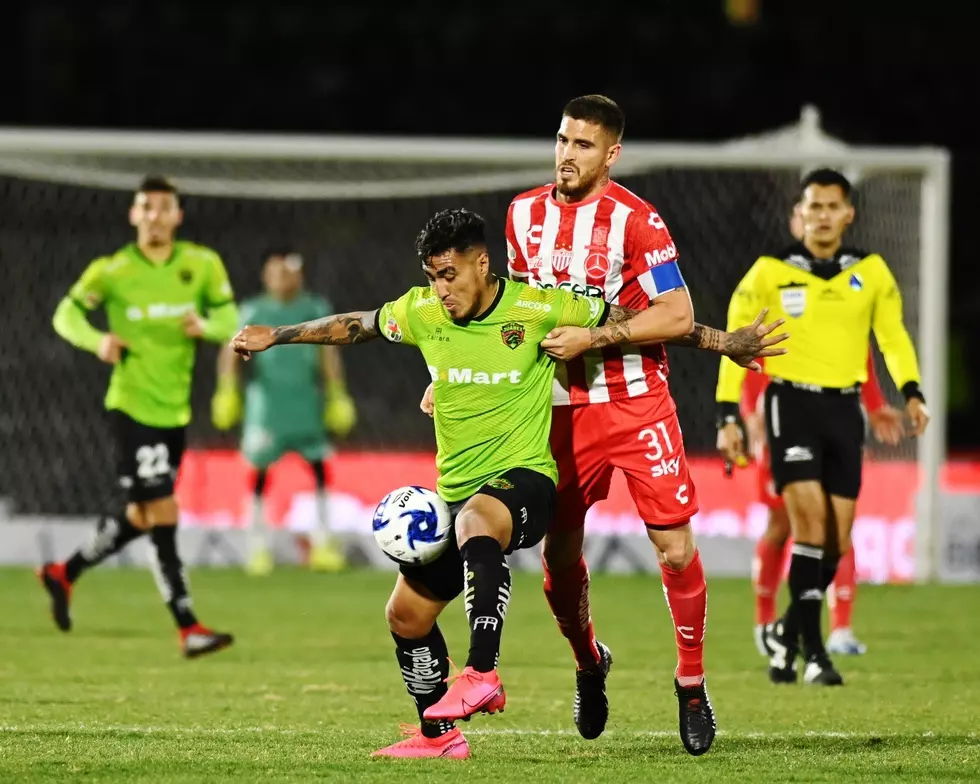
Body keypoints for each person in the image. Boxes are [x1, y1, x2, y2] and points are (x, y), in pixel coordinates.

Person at [233, 208, 783, 759]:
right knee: (405, 614)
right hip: (460, 493)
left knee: (479, 520)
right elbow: (359, 325)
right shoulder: (423, 311)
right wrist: (277, 337)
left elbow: (639, 319)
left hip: (525, 483)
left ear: (482, 262)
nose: (440, 289)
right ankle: (439, 737)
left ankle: (482, 672)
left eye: (449, 274)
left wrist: (724, 342)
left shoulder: (539, 306)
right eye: (432, 276)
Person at [716, 168, 930, 686]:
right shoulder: (769, 271)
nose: (823, 215)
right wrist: (728, 414)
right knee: (807, 528)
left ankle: (787, 637)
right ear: (800, 214)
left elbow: (893, 337)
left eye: (833, 206)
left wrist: (912, 392)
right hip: (791, 405)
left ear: (848, 213)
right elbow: (736, 341)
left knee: (837, 540)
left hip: (844, 412)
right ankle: (815, 653)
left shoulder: (871, 272)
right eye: (814, 206)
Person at [41, 175, 239, 658]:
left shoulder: (201, 264)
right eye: (145, 207)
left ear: (177, 215)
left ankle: (63, 572)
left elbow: (230, 322)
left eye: (163, 207)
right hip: (131, 407)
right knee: (163, 510)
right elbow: (64, 316)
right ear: (134, 215)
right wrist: (98, 341)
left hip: (174, 410)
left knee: (140, 515)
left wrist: (206, 326)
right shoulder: (111, 271)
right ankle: (188, 625)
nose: (154, 215)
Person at [744, 209, 906, 657]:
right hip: (785, 416)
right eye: (808, 213)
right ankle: (764, 623)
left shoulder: (847, 285)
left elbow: (863, 356)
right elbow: (751, 349)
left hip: (834, 418)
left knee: (837, 526)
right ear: (797, 223)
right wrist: (748, 414)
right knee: (784, 524)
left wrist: (874, 407)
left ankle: (839, 628)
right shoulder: (774, 279)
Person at [211, 249, 356, 575]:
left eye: (288, 272)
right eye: (276, 272)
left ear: (299, 275)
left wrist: (337, 394)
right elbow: (230, 351)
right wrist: (226, 390)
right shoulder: (254, 309)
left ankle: (323, 544)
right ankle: (257, 547)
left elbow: (330, 355)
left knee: (320, 471)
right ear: (266, 275)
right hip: (267, 408)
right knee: (259, 474)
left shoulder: (314, 308)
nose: (282, 279)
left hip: (306, 404)